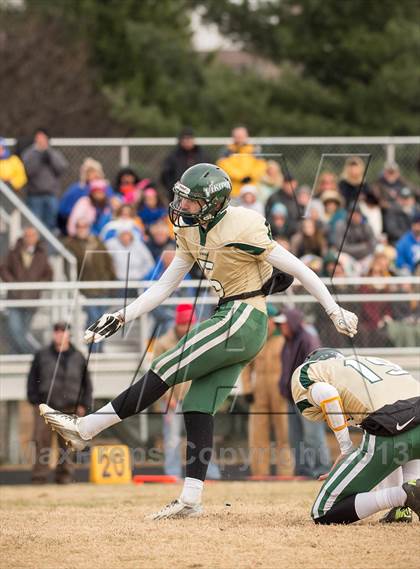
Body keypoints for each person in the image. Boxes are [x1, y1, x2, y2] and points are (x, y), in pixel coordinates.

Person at [40, 163, 357, 520]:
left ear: (213, 202)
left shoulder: (243, 224)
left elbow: (299, 268)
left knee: (165, 365)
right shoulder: (190, 232)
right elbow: (164, 285)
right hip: (230, 317)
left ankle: (86, 428)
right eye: (181, 198)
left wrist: (334, 310)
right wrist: (123, 315)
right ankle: (191, 498)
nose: (181, 206)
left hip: (244, 316)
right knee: (197, 405)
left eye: (190, 202)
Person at [291, 347, 420, 525]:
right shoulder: (371, 365)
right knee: (398, 439)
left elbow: (328, 395)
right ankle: (401, 508)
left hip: (392, 424)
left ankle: (402, 496)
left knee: (322, 512)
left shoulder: (311, 371)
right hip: (408, 419)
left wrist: (345, 448)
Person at [153, 304, 220, 480]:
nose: (187, 328)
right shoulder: (163, 344)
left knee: (202, 436)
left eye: (190, 324)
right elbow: (157, 373)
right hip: (173, 399)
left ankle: (211, 474)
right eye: (184, 324)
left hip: (196, 397)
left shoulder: (201, 339)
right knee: (172, 439)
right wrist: (168, 399)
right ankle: (173, 474)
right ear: (177, 324)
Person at [27, 322, 92, 484]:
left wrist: (84, 404)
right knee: (41, 442)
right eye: (57, 331)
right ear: (53, 334)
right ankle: (39, 477)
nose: (60, 334)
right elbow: (32, 379)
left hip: (70, 406)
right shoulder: (42, 355)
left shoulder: (78, 356)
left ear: (68, 334)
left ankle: (65, 476)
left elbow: (86, 383)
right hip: (45, 406)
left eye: (63, 331)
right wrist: (34, 400)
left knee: (68, 444)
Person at [277, 308, 331, 478]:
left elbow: (315, 368)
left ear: (292, 322)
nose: (281, 327)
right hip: (292, 397)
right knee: (296, 437)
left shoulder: (308, 339)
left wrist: (306, 392)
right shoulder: (289, 340)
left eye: (284, 323)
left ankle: (322, 469)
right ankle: (303, 470)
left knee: (313, 436)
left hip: (307, 397)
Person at [241, 305, 293, 477]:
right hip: (259, 391)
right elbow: (246, 366)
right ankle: (259, 473)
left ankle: (285, 473)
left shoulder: (284, 340)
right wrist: (247, 389)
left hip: (279, 390)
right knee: (258, 434)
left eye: (269, 320)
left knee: (284, 433)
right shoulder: (256, 341)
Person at [63, 219, 116, 350]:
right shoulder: (71, 244)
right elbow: (68, 267)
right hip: (86, 289)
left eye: (84, 226)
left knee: (102, 319)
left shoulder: (98, 242)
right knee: (93, 317)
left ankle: (98, 348)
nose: (82, 229)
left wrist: (110, 280)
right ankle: (94, 349)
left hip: (102, 287)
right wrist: (77, 285)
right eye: (79, 227)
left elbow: (108, 262)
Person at [0, 227, 52, 353]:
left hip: (31, 299)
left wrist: (38, 285)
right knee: (15, 331)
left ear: (37, 238)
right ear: (23, 237)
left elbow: (48, 274)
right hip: (15, 298)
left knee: (21, 332)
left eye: (32, 235)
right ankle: (35, 354)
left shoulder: (41, 254)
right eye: (27, 236)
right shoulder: (14, 252)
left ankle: (19, 357)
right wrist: (12, 282)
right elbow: (4, 269)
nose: (30, 238)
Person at [22, 128, 68, 231]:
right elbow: (28, 171)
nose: (41, 141)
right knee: (35, 225)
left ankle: (49, 247)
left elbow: (61, 168)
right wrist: (39, 158)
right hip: (34, 195)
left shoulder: (53, 153)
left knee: (51, 225)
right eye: (39, 138)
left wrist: (49, 155)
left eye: (43, 138)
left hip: (51, 195)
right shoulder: (29, 153)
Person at [57, 158, 113, 235]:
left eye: (95, 171)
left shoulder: (106, 188)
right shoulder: (77, 189)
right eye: (90, 172)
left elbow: (110, 204)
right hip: (80, 223)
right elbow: (64, 210)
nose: (93, 175)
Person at [161, 128, 209, 202]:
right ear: (181, 141)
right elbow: (165, 175)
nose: (187, 141)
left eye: (189, 139)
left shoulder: (202, 155)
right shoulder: (173, 156)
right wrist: (174, 188)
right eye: (185, 139)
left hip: (200, 194)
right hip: (178, 194)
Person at [217, 126, 266, 197]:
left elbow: (261, 165)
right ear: (233, 137)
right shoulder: (227, 150)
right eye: (237, 136)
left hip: (252, 192)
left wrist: (250, 176)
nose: (239, 138)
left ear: (247, 136)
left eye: (241, 136)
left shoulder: (254, 150)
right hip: (233, 192)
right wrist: (240, 177)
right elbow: (222, 165)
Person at [334, 205, 376, 274]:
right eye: (353, 213)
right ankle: (350, 282)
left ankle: (367, 281)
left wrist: (364, 248)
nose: (355, 216)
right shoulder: (341, 225)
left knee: (379, 251)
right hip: (348, 256)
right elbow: (341, 247)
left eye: (357, 214)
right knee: (339, 256)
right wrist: (363, 246)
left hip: (364, 257)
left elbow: (373, 244)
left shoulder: (366, 226)